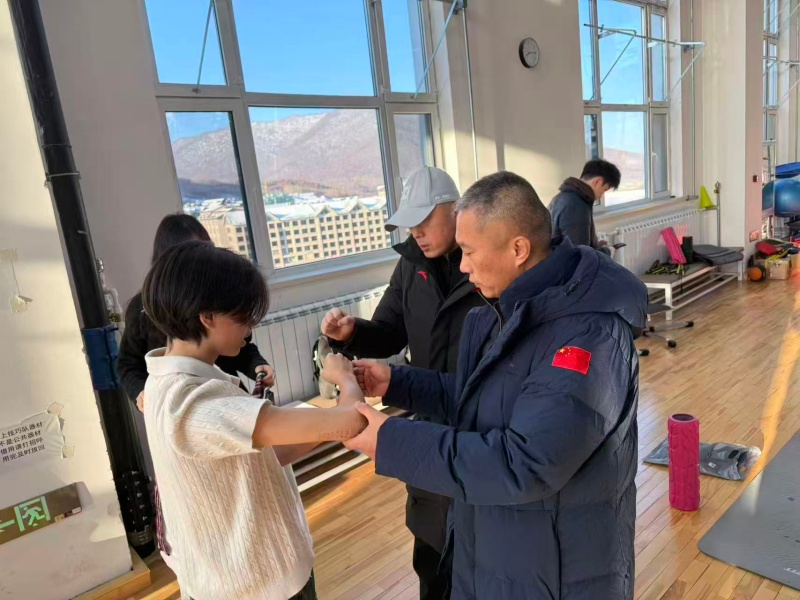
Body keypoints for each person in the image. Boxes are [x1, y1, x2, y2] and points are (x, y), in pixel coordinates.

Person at [332, 171, 647, 599]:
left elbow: (524, 462)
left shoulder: (588, 336)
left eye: (468, 251)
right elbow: (480, 401)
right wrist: (396, 382)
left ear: (518, 249)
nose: (463, 266)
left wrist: (389, 440)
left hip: (556, 572)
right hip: (500, 549)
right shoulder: (505, 309)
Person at [141, 240, 367, 600]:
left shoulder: (163, 382)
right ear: (207, 316)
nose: (248, 331)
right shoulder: (194, 404)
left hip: (235, 580)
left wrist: (318, 423)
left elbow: (264, 456)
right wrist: (345, 378)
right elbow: (353, 421)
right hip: (256, 586)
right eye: (243, 318)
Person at [321, 166, 485, 600]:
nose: (416, 233)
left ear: (456, 209)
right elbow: (389, 332)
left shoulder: (486, 263)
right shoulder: (411, 266)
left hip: (483, 424)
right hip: (428, 420)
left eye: (424, 220)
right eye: (409, 224)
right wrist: (352, 332)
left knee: (480, 553)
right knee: (431, 551)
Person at [118, 214, 275, 412]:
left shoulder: (219, 298)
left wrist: (257, 366)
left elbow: (242, 344)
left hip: (228, 398)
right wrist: (141, 392)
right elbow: (128, 364)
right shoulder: (141, 310)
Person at [549, 158, 621, 251]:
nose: (602, 196)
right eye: (604, 189)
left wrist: (596, 246)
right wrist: (608, 251)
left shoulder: (561, 198)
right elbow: (579, 256)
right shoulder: (576, 207)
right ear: (597, 182)